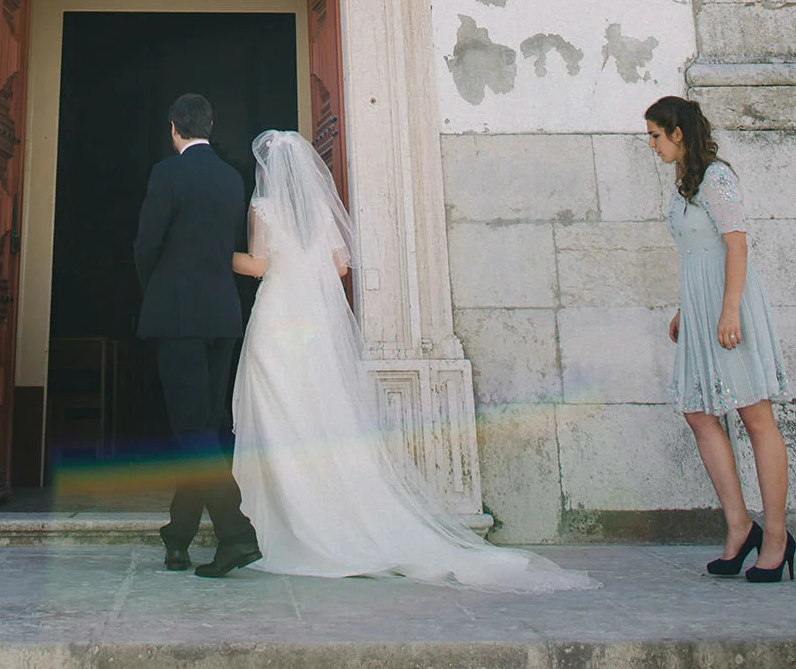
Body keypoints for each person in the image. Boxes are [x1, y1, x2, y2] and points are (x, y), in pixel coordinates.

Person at [229, 128, 590, 589]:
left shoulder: (263, 208)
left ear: (267, 171)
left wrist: (220, 257)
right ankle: (331, 511)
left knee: (279, 413)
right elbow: (341, 267)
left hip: (278, 318)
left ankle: (286, 517)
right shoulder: (319, 210)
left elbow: (258, 266)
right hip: (315, 323)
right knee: (322, 411)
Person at [645, 94, 794, 582]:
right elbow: (698, 252)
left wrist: (728, 310)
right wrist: (687, 309)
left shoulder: (717, 178)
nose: (652, 146)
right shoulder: (684, 186)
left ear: (678, 133)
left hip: (730, 310)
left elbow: (735, 245)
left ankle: (775, 537)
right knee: (698, 411)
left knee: (755, 416)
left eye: (655, 136)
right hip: (703, 309)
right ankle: (738, 525)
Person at [133, 92, 263, 577]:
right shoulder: (232, 177)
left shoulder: (167, 174)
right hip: (222, 316)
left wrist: (157, 290)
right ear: (209, 125)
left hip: (180, 317)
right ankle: (178, 536)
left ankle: (235, 533)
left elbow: (147, 243)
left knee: (191, 430)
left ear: (174, 128)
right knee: (205, 430)